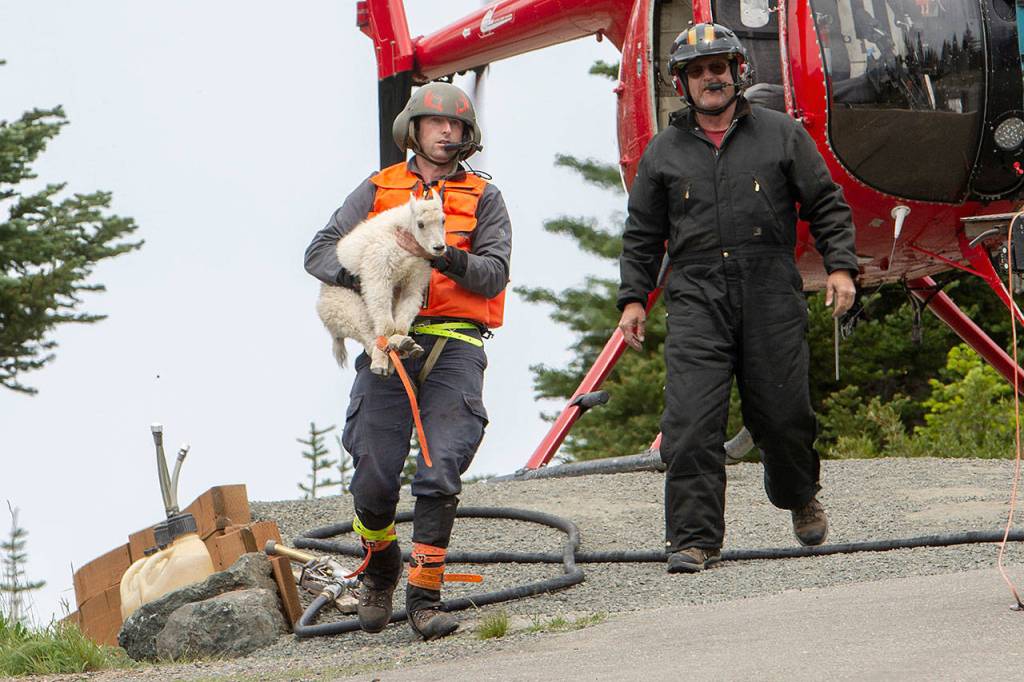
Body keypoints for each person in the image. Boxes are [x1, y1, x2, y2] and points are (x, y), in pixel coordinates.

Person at [616, 23, 857, 574]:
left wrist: (840, 267)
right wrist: (634, 299)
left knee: (784, 415)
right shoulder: (662, 152)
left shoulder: (780, 134)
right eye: (698, 71)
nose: (711, 78)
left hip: (770, 286)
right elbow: (642, 234)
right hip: (697, 296)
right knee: (690, 423)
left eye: (719, 67)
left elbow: (826, 204)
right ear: (682, 82)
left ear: (738, 72)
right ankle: (694, 540)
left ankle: (798, 495)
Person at [304, 81, 511, 639]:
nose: (448, 132)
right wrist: (371, 272)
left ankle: (424, 596)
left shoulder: (485, 198)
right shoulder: (376, 189)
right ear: (412, 129)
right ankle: (381, 569)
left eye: (458, 126)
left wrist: (442, 257)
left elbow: (494, 273)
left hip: (455, 343)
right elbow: (318, 253)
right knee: (372, 472)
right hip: (387, 343)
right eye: (437, 123)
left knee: (440, 467)